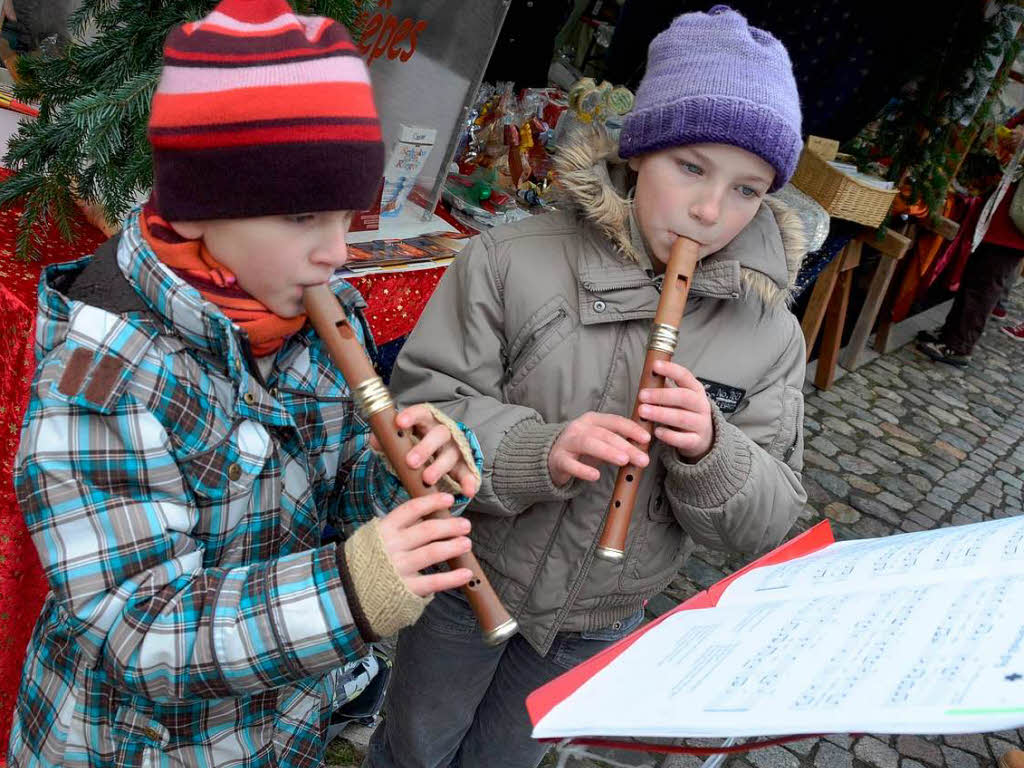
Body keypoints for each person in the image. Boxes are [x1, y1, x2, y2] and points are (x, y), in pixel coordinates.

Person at [8, 1, 483, 766]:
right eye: (303, 217)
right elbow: (140, 628)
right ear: (200, 212)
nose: (336, 252)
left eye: (346, 217)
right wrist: (348, 593)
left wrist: (405, 477)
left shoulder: (321, 317)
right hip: (132, 746)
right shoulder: (102, 375)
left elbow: (337, 493)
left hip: (272, 732)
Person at [365, 7, 810, 767]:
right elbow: (421, 410)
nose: (710, 210)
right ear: (640, 153)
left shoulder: (770, 332)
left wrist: (712, 449)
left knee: (506, 757)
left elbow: (771, 518)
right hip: (469, 577)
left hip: (604, 610)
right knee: (414, 745)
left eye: (747, 190)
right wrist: (538, 451)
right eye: (691, 168)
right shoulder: (512, 259)